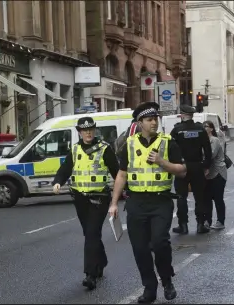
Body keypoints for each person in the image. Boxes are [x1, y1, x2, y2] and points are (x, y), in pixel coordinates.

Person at [109, 102, 186, 303]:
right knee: (140, 248)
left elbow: (182, 170)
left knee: (160, 242)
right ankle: (149, 288)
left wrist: (162, 162)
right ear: (140, 123)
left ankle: (167, 280)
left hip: (161, 201)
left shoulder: (169, 142)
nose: (154, 122)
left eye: (156, 119)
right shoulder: (130, 144)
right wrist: (114, 203)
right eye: (149, 120)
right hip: (136, 203)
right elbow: (121, 175)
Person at [52, 116, 119, 290]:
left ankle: (90, 275)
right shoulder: (74, 150)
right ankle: (101, 261)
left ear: (95, 130)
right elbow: (65, 169)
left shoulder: (104, 149)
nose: (88, 132)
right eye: (84, 130)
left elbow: (117, 172)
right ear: (79, 132)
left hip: (99, 198)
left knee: (91, 234)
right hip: (80, 199)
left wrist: (119, 196)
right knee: (91, 234)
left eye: (91, 129)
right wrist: (57, 181)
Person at [170, 105, 212, 234]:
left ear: (182, 115)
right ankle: (200, 225)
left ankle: (183, 225)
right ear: (192, 115)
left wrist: (174, 165)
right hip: (197, 166)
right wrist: (205, 165)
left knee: (181, 197)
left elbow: (170, 148)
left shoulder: (177, 130)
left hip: (182, 167)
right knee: (200, 197)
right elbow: (207, 150)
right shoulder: (200, 129)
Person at [203, 120, 227, 229]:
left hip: (218, 173)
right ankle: (207, 221)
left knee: (218, 198)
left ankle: (220, 222)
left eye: (206, 126)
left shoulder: (215, 140)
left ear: (211, 129)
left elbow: (211, 155)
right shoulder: (202, 141)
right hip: (207, 174)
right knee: (207, 199)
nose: (203, 128)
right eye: (202, 126)